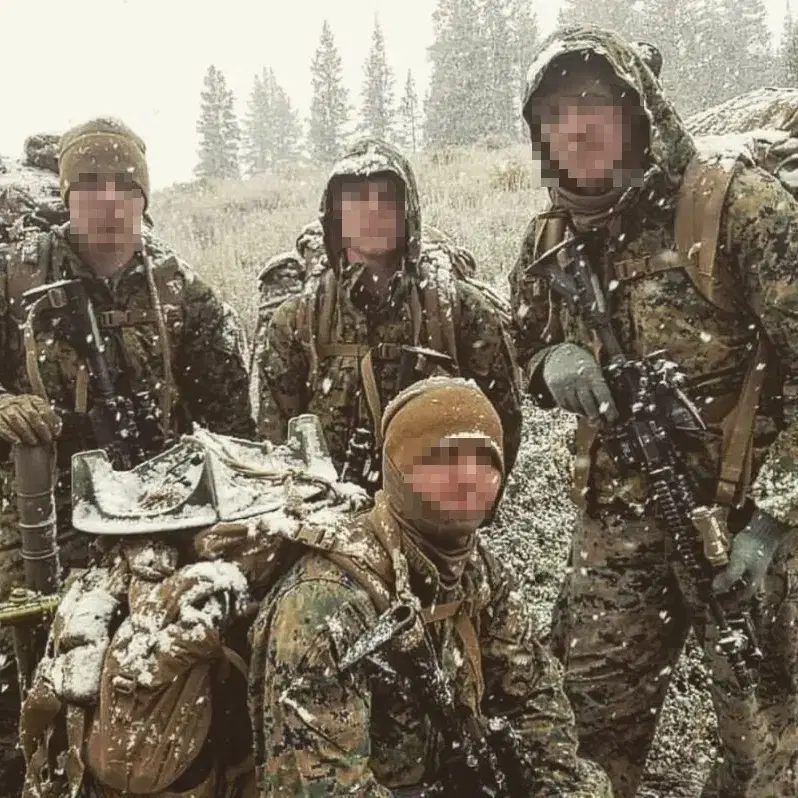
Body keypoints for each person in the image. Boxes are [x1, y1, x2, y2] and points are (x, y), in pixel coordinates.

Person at [509, 24, 798, 798]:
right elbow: (519, 344)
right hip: (619, 523)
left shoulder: (738, 208)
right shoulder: (550, 239)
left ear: (637, 113)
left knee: (766, 738)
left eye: (594, 110)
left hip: (744, 530)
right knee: (581, 732)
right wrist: (549, 364)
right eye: (556, 119)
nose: (577, 132)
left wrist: (771, 519)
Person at [0, 117, 254, 789]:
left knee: (201, 654)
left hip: (157, 520)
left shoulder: (183, 295)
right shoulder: (15, 281)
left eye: (123, 185)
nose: (107, 199)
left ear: (144, 197)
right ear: (66, 193)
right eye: (89, 184)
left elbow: (234, 432)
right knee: (22, 674)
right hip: (37, 523)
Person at [249, 375, 613, 796]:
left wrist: (554, 787)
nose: (469, 477)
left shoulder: (478, 569)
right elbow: (317, 788)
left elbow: (533, 697)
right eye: (444, 458)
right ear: (399, 471)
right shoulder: (325, 601)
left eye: (485, 459)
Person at [254, 137, 522, 494]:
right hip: (325, 521)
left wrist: (463, 516)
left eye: (386, 198)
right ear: (334, 214)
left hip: (436, 522)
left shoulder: (461, 310)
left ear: (408, 210)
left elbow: (501, 428)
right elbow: (275, 445)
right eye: (357, 198)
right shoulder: (297, 320)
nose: (372, 211)